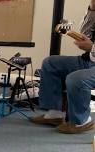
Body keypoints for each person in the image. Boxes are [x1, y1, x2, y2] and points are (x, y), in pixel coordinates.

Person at [31, 0, 95, 134]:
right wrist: (92, 9)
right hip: (90, 60)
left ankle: (81, 121)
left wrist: (92, 47)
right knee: (50, 63)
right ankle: (55, 114)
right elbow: (86, 33)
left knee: (76, 79)